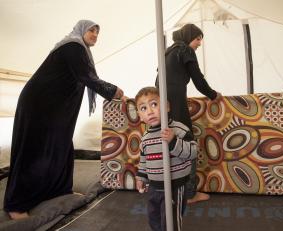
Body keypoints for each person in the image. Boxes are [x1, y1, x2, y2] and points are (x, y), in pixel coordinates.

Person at [4, 19, 126, 220]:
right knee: (32, 149)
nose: (95, 35)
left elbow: (81, 77)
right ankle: (15, 204)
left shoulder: (81, 50)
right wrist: (113, 91)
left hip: (54, 107)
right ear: (81, 30)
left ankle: (58, 190)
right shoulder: (73, 46)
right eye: (91, 30)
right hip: (38, 104)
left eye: (97, 32)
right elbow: (86, 77)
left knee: (60, 145)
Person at [155, 23, 222, 204]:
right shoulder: (185, 50)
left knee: (169, 142)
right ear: (188, 37)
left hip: (162, 102)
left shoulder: (169, 51)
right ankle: (189, 194)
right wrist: (213, 95)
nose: (199, 43)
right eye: (198, 39)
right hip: (176, 101)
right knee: (187, 141)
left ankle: (169, 191)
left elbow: (157, 80)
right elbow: (198, 79)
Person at [135, 87, 198, 231]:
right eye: (143, 108)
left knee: (171, 222)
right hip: (154, 187)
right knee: (154, 218)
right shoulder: (145, 138)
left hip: (175, 186)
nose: (150, 111)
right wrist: (141, 178)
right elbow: (144, 162)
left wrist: (173, 141)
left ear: (167, 106)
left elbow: (193, 152)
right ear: (140, 115)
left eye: (154, 104)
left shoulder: (178, 129)